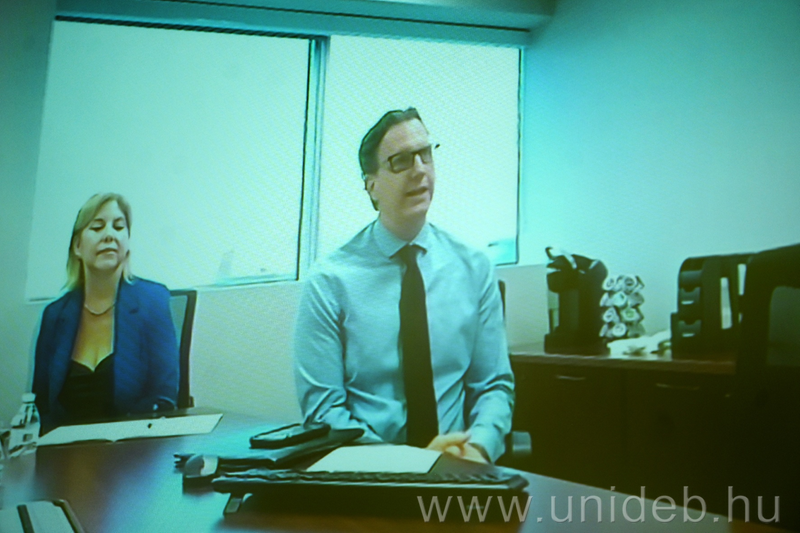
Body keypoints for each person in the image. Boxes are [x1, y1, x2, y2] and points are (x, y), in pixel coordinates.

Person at [294, 108, 514, 463]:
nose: (420, 170)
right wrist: (408, 464)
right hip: (370, 473)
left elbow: (493, 385)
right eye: (401, 161)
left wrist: (478, 448)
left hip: (459, 465)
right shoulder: (330, 281)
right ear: (372, 184)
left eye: (425, 154)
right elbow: (323, 411)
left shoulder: (474, 268)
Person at [33, 193, 179, 431]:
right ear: (77, 246)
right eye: (97, 227)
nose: (109, 235)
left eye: (119, 227)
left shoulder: (153, 301)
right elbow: (41, 406)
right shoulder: (54, 315)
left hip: (134, 447)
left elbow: (164, 397)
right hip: (66, 451)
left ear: (127, 242)